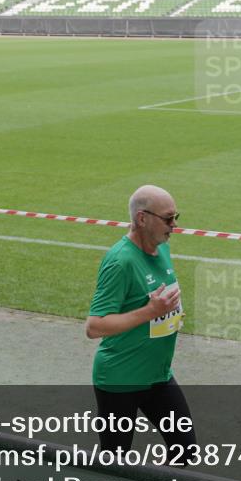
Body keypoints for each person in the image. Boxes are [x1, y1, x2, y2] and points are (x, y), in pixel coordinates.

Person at [85, 185, 196, 458]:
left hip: (157, 375)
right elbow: (95, 326)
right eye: (168, 218)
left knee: (185, 449)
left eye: (176, 217)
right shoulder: (120, 262)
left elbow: (155, 300)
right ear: (142, 218)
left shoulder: (162, 248)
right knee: (114, 461)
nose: (174, 225)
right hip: (120, 379)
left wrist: (171, 313)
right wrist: (150, 312)